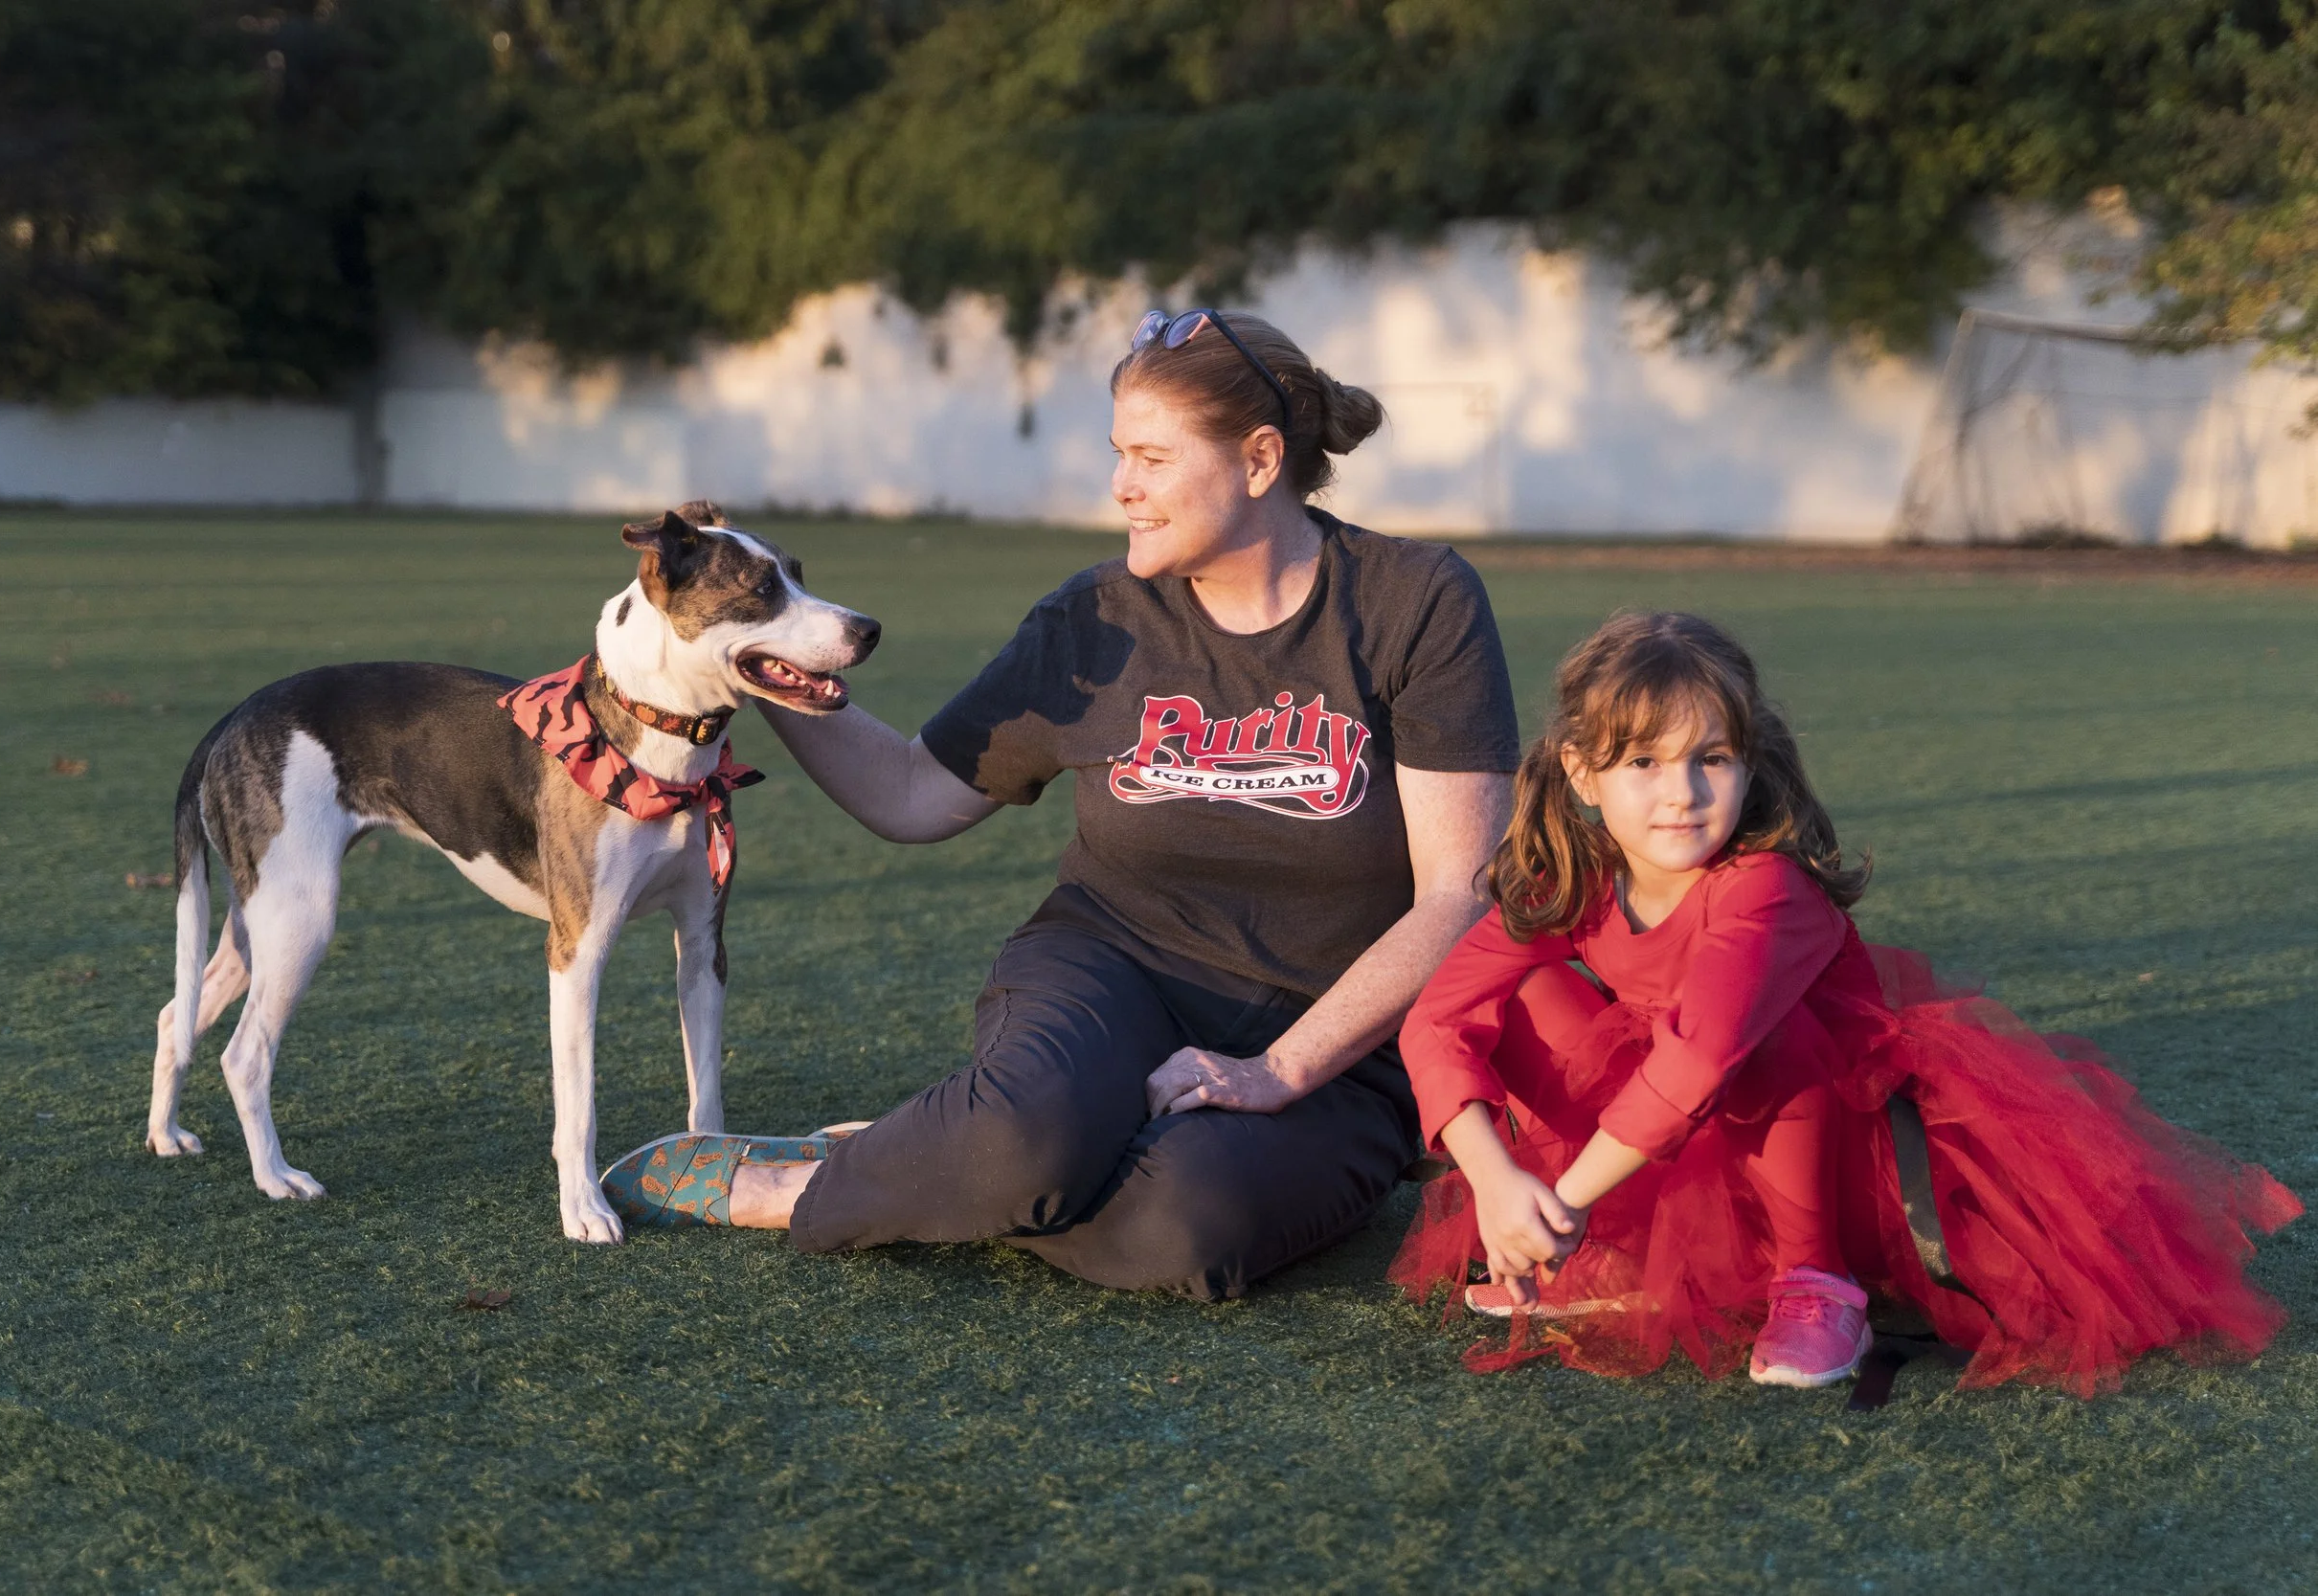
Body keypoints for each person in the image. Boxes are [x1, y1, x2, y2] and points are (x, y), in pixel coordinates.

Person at [599, 309, 1522, 1299]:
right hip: (1115, 966)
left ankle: (951, 1150)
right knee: (1021, 1138)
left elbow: (1456, 897)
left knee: (1185, 1227)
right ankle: (798, 1180)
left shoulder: (1412, 602)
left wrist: (1280, 1069)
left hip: (1337, 1038)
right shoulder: (1096, 617)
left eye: (1152, 458)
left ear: (1258, 460)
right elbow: (914, 794)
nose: (1121, 485)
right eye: (1118, 453)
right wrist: (760, 663)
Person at [1390, 610, 2301, 1395]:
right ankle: (1623, 1253)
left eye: (1712, 756)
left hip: (1841, 1149)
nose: (1682, 792)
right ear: (1585, 775)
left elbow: (1700, 1060)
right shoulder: (1575, 875)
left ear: (1751, 763)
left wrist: (1566, 1200)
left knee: (1766, 1036)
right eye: (1643, 761)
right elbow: (1436, 1018)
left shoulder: (1764, 888)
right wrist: (1501, 1182)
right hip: (1663, 1144)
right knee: (1520, 993)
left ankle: (1817, 1283)